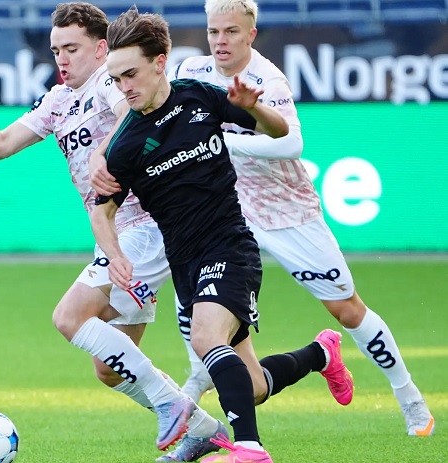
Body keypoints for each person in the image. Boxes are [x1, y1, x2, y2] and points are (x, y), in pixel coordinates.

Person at [93, 0, 435, 439]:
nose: (220, 41)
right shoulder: (190, 72)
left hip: (282, 209)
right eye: (213, 31)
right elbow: (143, 116)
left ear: (251, 33)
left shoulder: (266, 79)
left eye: (231, 32)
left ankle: (408, 395)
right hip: (218, 211)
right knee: (203, 324)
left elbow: (290, 143)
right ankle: (205, 409)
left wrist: (226, 140)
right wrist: (103, 152)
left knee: (345, 307)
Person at [0, 2, 224, 452]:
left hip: (146, 226)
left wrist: (103, 152)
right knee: (110, 368)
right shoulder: (58, 100)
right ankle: (204, 431)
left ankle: (171, 403)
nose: (62, 58)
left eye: (71, 48)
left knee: (69, 317)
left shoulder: (110, 84)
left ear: (100, 49)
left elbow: (133, 115)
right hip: (115, 234)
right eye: (56, 49)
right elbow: (6, 141)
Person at [92, 6, 293, 462]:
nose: (124, 87)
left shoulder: (200, 96)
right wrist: (115, 254)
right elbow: (101, 213)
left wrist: (253, 107)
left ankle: (250, 448)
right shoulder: (124, 145)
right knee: (252, 385)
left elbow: (279, 131)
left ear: (160, 62)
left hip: (230, 245)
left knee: (205, 338)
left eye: (130, 74)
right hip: (185, 264)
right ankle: (322, 354)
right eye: (116, 79)